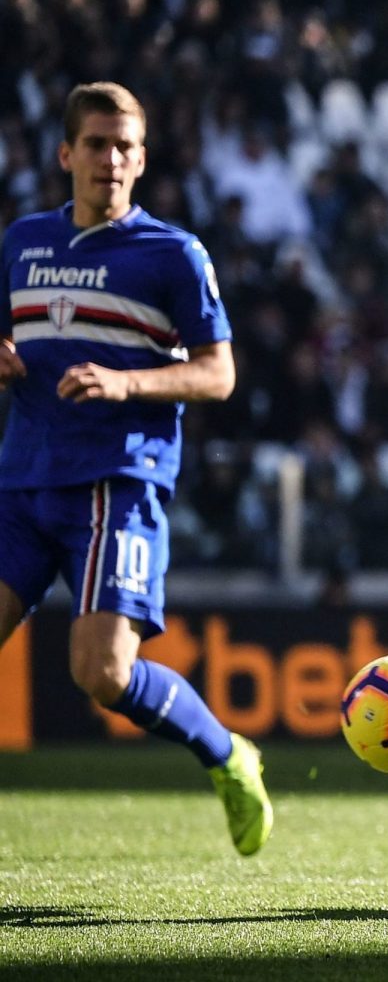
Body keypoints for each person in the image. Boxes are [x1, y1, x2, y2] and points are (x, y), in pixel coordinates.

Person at [0, 83, 271, 855]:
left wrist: (127, 381)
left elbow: (218, 374)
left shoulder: (172, 255)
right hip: (22, 479)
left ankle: (226, 753)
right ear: (65, 154)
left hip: (116, 481)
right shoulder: (21, 243)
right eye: (95, 143)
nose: (110, 159)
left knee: (104, 673)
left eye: (125, 147)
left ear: (142, 160)